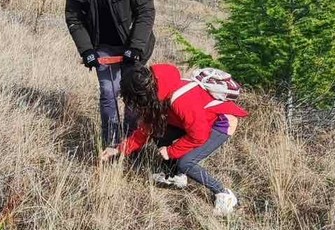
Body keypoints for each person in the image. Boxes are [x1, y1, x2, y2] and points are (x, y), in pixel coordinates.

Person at [100, 62, 247, 216]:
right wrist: (117, 149)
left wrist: (171, 151)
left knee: (186, 163)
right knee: (158, 132)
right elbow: (144, 132)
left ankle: (224, 194)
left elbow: (199, 135)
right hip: (197, 123)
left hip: (220, 123)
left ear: (142, 95)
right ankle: (176, 177)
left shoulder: (181, 101)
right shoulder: (158, 94)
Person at [65, 0, 156, 146]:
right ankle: (112, 144)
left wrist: (136, 46)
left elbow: (146, 10)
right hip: (102, 47)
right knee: (108, 92)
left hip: (132, 42)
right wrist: (86, 50)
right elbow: (73, 18)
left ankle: (130, 145)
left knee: (132, 93)